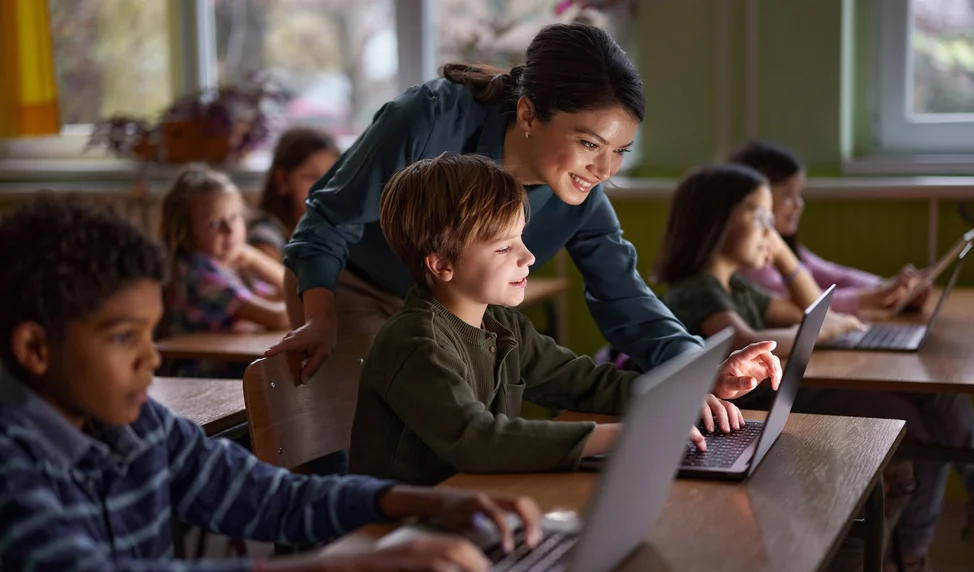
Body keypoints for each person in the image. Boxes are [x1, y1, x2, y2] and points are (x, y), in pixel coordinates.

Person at [0, 196, 544, 572]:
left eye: (151, 331)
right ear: (35, 349)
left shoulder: (139, 426)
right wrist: (336, 569)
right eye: (124, 338)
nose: (153, 358)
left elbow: (270, 498)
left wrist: (416, 502)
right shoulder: (12, 458)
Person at [268, 23, 781, 426]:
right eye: (588, 144)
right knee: (365, 439)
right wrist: (321, 318)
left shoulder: (579, 194)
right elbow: (325, 221)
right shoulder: (427, 118)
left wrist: (700, 370)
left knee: (451, 440)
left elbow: (626, 299)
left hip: (447, 308)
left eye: (619, 151)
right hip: (347, 286)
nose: (604, 171)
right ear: (530, 113)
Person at [654, 163, 974, 572]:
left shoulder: (740, 290)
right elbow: (739, 338)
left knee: (916, 426)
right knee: (907, 431)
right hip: (758, 418)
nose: (771, 231)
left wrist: (793, 271)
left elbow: (807, 307)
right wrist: (821, 330)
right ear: (715, 222)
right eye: (760, 217)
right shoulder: (698, 289)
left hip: (784, 405)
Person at [349, 154, 731, 484]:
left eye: (521, 238)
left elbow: (584, 384)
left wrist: (675, 400)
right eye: (504, 247)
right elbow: (479, 441)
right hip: (404, 533)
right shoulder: (416, 343)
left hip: (477, 507)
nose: (528, 257)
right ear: (442, 264)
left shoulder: (502, 324)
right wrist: (629, 435)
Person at [731, 140, 929, 315]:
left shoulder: (788, 247)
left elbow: (837, 276)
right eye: (788, 195)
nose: (799, 204)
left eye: (799, 194)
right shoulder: (752, 263)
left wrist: (890, 287)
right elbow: (804, 303)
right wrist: (878, 295)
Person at [160, 165, 290, 376]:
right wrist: (316, 305)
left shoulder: (227, 266)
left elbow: (287, 294)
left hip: (233, 374)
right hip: (204, 381)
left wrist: (252, 258)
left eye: (235, 217)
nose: (229, 230)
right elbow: (280, 316)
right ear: (185, 232)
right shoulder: (200, 274)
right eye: (214, 223)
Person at [250, 127, 340, 260]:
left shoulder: (338, 230)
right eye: (310, 176)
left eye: (332, 176)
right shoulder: (266, 234)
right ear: (282, 180)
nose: (325, 186)